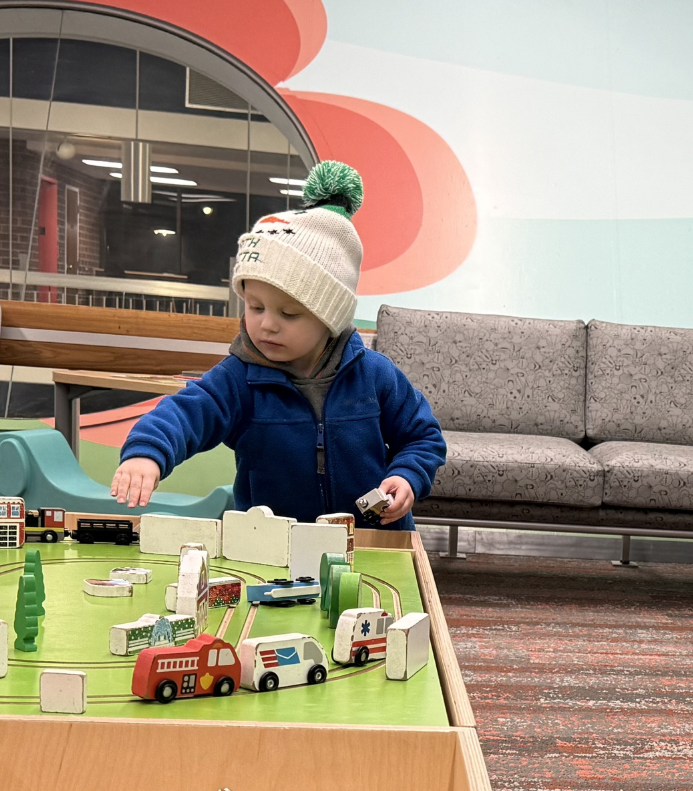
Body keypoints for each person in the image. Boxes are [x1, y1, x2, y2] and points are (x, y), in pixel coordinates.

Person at [110, 161, 446, 529]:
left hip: (371, 542)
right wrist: (147, 453)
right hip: (272, 547)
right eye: (255, 306)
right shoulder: (240, 379)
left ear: (329, 318)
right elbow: (187, 413)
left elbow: (422, 436)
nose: (267, 324)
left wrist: (408, 476)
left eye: (289, 313)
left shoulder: (375, 375)